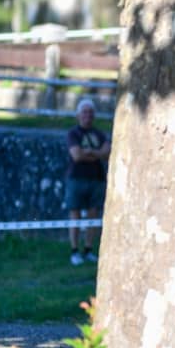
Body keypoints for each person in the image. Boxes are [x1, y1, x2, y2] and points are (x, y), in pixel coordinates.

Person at [65, 99, 110, 266]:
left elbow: (107, 152)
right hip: (76, 178)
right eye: (84, 112)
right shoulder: (73, 134)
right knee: (74, 214)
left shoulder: (99, 134)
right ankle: (75, 250)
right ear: (78, 115)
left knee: (93, 214)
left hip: (96, 179)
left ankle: (89, 250)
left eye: (90, 112)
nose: (87, 115)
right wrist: (96, 153)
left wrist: (91, 152)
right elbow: (76, 155)